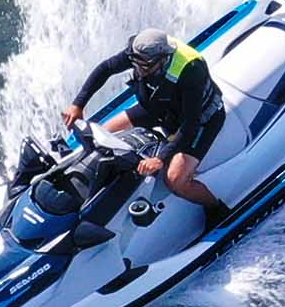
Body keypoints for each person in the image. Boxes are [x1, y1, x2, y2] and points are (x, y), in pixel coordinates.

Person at [61, 29, 227, 244]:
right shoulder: (139, 53)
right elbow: (106, 68)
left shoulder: (191, 69)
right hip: (161, 109)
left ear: (163, 58)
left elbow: (190, 125)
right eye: (135, 63)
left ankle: (216, 208)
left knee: (176, 180)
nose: (139, 69)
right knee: (101, 133)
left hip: (201, 120)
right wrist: (78, 104)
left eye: (145, 66)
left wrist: (161, 158)